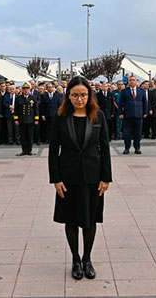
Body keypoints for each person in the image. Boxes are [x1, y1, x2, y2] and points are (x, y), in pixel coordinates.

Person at [48, 76, 112, 281]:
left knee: (90, 219)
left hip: (93, 177)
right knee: (71, 220)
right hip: (67, 177)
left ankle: (87, 259)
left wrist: (106, 178)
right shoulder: (61, 117)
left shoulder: (98, 116)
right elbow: (53, 150)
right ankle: (75, 259)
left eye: (83, 95)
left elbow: (105, 148)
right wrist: (55, 179)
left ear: (89, 95)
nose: (79, 99)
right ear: (68, 96)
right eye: (75, 95)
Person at [118, 76, 147, 154]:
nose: (132, 81)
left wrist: (145, 112)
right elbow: (120, 103)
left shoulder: (141, 91)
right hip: (127, 115)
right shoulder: (124, 91)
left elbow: (145, 102)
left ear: (136, 81)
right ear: (128, 82)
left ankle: (137, 148)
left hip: (138, 115)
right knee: (127, 133)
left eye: (133, 80)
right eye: (130, 80)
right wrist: (120, 113)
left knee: (138, 133)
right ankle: (127, 148)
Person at [14, 83, 39, 156]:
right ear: (22, 90)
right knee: (23, 136)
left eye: (27, 89)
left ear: (29, 89)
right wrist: (16, 119)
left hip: (30, 120)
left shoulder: (33, 98)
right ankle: (24, 150)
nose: (26, 90)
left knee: (30, 136)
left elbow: (36, 109)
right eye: (24, 89)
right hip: (22, 119)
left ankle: (29, 150)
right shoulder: (19, 98)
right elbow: (16, 109)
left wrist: (36, 119)